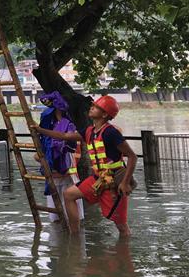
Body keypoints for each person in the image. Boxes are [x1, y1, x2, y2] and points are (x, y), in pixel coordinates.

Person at [33, 95, 137, 237]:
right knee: (69, 194)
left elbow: (132, 156)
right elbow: (65, 136)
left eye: (96, 107)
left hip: (114, 182)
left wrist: (125, 183)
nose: (91, 108)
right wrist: (40, 130)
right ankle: (74, 236)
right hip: (98, 179)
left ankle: (124, 253)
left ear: (105, 114)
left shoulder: (111, 132)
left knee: (121, 226)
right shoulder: (89, 131)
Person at [35, 91, 83, 224]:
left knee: (72, 215)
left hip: (67, 174)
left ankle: (72, 240)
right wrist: (42, 157)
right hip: (53, 176)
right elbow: (40, 151)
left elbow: (68, 143)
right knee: (56, 217)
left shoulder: (69, 125)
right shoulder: (49, 126)